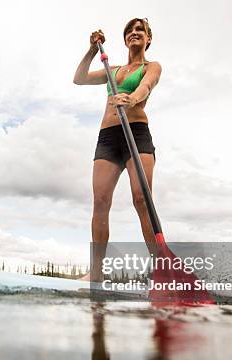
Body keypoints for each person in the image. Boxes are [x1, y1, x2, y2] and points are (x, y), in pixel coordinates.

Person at [73, 18, 162, 281]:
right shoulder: (112, 70)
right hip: (109, 137)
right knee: (100, 201)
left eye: (140, 31)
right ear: (124, 40)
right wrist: (91, 50)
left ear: (148, 39)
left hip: (136, 133)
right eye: (130, 31)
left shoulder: (152, 66)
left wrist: (132, 98)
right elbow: (78, 79)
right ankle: (97, 272)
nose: (134, 33)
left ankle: (161, 271)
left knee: (141, 199)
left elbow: (146, 86)